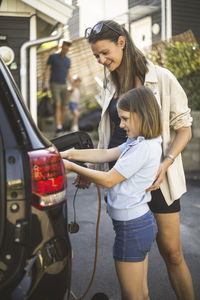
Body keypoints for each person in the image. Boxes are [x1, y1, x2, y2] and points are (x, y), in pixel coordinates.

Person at [82, 20, 194, 300]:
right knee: (134, 259)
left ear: (122, 42)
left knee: (172, 252)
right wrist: (92, 169)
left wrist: (165, 162)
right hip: (123, 183)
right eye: (97, 56)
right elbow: (107, 137)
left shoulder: (163, 78)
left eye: (105, 53)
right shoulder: (108, 85)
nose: (101, 60)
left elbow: (184, 129)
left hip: (158, 180)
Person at [61, 86, 162, 300]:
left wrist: (73, 168)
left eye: (125, 119)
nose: (121, 124)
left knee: (132, 295)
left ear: (142, 115)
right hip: (139, 224)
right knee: (141, 293)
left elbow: (109, 179)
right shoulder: (139, 142)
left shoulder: (143, 149)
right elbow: (107, 153)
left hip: (132, 228)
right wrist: (70, 153)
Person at [42, 40, 72, 134]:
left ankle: (61, 126)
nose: (66, 50)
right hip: (54, 84)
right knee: (58, 104)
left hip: (64, 85)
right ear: (61, 47)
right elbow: (47, 70)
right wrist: (45, 82)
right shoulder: (53, 57)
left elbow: (68, 74)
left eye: (67, 49)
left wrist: (72, 84)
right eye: (64, 48)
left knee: (64, 106)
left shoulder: (68, 60)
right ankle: (58, 126)